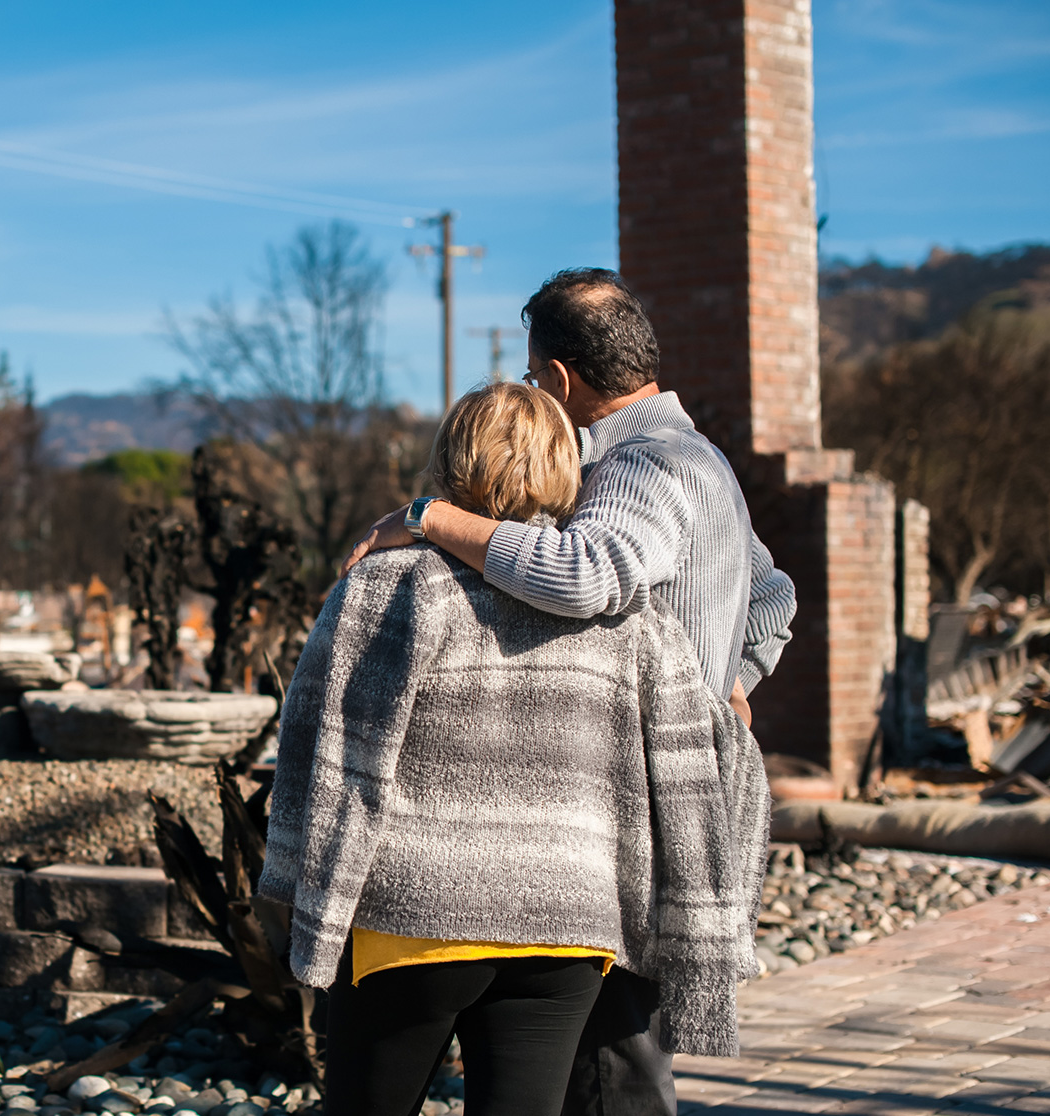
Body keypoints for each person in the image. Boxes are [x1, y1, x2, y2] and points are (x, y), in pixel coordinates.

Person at [341, 267, 798, 1116]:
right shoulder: (704, 461)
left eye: (531, 370)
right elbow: (774, 595)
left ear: (557, 376)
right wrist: (732, 682)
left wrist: (430, 518)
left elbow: (584, 575)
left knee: (611, 1070)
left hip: (643, 801)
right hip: (670, 793)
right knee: (614, 1055)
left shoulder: (640, 469)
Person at [261, 382, 767, 1116]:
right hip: (567, 924)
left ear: (450, 462)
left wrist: (290, 887)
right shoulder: (629, 618)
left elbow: (321, 745)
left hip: (413, 916)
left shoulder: (391, 581)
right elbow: (679, 769)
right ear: (570, 471)